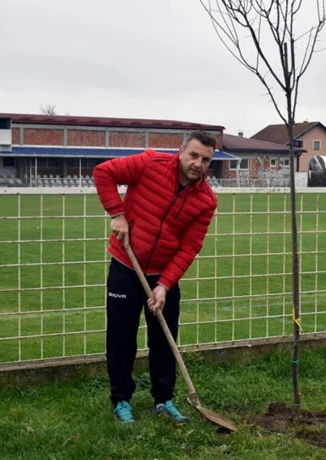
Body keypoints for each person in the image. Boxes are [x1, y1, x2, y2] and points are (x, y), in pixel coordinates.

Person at [92, 130, 219, 424]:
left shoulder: (206, 201)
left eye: (206, 160)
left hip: (163, 274)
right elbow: (103, 173)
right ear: (181, 151)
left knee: (164, 338)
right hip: (127, 265)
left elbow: (189, 247)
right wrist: (116, 212)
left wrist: (164, 285)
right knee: (121, 337)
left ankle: (164, 400)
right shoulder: (150, 163)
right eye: (194, 155)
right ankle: (121, 400)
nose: (198, 163)